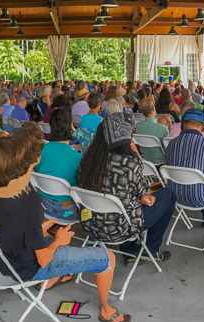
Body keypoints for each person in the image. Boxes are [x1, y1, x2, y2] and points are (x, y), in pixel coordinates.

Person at [0, 131, 131, 322]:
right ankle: (106, 310)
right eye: (28, 168)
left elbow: (5, 228)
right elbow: (43, 260)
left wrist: (39, 230)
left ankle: (53, 279)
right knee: (108, 258)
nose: (31, 171)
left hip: (1, 260)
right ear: (14, 173)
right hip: (29, 268)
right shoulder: (27, 206)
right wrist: (59, 241)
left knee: (49, 237)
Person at [79, 112, 175, 265]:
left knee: (123, 203)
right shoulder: (129, 164)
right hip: (121, 228)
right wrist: (135, 155)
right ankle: (151, 249)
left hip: (92, 225)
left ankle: (130, 251)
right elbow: (144, 192)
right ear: (126, 138)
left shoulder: (88, 158)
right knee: (168, 195)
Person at [35, 108, 81, 223]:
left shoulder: (42, 151)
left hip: (43, 206)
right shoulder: (77, 157)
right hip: (69, 212)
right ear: (71, 125)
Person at [134, 99, 169, 163]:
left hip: (145, 160)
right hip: (161, 161)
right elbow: (167, 148)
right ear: (153, 108)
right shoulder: (163, 128)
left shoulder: (138, 127)